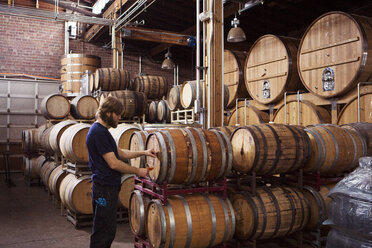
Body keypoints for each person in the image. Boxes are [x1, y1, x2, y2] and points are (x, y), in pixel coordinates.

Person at [86, 96, 156, 248]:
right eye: (117, 114)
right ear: (109, 113)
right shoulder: (99, 132)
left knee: (105, 229)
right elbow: (114, 163)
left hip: (106, 187)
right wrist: (138, 171)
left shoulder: (102, 131)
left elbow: (120, 153)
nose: (119, 117)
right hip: (104, 189)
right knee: (104, 231)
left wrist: (144, 152)